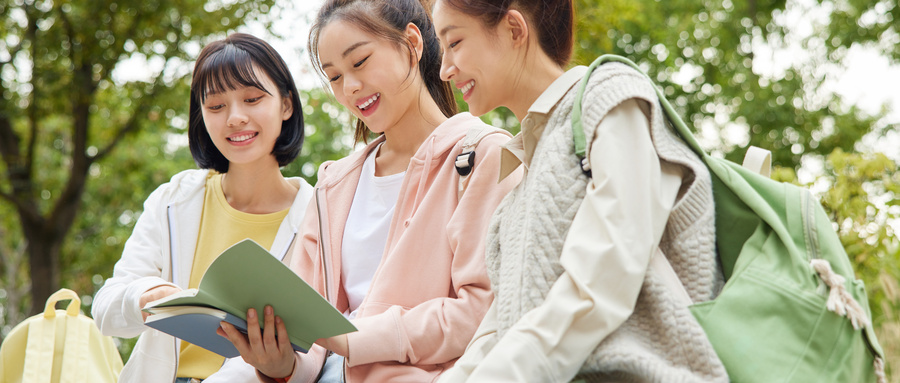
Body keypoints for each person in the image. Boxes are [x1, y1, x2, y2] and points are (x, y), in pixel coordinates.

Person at [216, 0, 521, 382]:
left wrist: (355, 337)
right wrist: (282, 365)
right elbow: (310, 337)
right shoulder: (333, 185)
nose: (351, 88)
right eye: (335, 77)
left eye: (359, 62)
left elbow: (482, 311)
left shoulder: (483, 156)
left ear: (411, 42)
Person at [431, 1, 730, 382]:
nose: (444, 68)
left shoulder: (610, 98)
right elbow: (495, 334)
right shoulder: (514, 199)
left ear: (514, 30)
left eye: (454, 42)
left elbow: (604, 278)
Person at [92, 33, 314, 383]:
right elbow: (106, 310)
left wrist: (281, 368)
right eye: (215, 106)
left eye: (252, 99)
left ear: (286, 104)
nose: (235, 118)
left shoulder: (318, 215)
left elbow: (322, 351)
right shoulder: (174, 199)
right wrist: (151, 296)